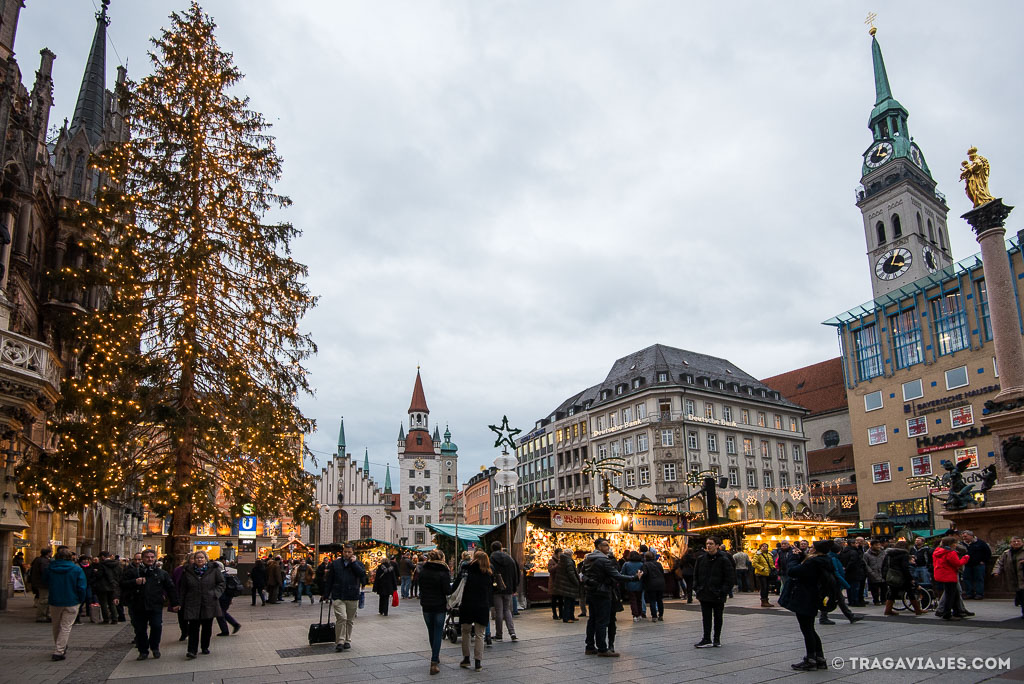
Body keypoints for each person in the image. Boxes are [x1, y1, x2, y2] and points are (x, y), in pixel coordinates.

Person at [780, 540, 834, 671]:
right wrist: (802, 555)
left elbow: (792, 571)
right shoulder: (824, 560)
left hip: (805, 597)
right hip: (814, 597)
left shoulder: (812, 562)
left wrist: (793, 557)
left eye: (812, 547)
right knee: (810, 628)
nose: (809, 549)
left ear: (815, 550)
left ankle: (811, 659)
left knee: (807, 629)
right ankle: (819, 658)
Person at [581, 537, 636, 657]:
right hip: (603, 592)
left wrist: (590, 582)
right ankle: (602, 648)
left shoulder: (587, 559)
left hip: (591, 592)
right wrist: (634, 578)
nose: (608, 547)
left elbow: (582, 574)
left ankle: (590, 646)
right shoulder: (603, 560)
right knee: (603, 621)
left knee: (592, 620)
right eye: (605, 545)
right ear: (599, 547)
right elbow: (617, 575)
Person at [121, 548, 179, 660]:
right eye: (147, 557)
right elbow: (122, 584)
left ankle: (155, 647)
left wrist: (175, 603)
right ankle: (143, 650)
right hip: (138, 605)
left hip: (155, 604)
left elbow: (170, 588)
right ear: (142, 559)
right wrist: (134, 582)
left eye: (152, 557)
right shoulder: (133, 572)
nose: (150, 559)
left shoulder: (161, 573)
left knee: (156, 626)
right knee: (140, 629)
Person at [178, 551, 225, 659]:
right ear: (194, 559)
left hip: (209, 601)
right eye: (197, 558)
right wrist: (181, 601)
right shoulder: (188, 571)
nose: (199, 560)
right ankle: (192, 650)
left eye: (202, 558)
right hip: (193, 602)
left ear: (206, 559)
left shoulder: (213, 570)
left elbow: (221, 583)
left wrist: (215, 593)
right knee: (193, 627)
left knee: (207, 626)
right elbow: (183, 588)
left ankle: (205, 646)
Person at [45, 546, 87, 661]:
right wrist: (81, 600)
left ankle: (60, 646)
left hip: (55, 600)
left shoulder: (51, 568)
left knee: (56, 625)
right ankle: (59, 650)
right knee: (66, 627)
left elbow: (45, 581)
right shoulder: (76, 569)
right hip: (71, 600)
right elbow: (82, 587)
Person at [324, 544, 368, 652]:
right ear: (342, 552)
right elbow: (330, 579)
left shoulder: (358, 564)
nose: (347, 554)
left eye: (349, 552)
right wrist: (326, 594)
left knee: (349, 620)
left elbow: (363, 575)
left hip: (352, 595)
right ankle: (340, 641)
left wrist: (354, 564)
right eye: (345, 552)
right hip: (338, 595)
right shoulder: (335, 564)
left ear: (353, 552)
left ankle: (347, 640)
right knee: (342, 618)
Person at [692, 538, 735, 648]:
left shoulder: (724, 559)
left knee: (718, 616)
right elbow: (696, 574)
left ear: (717, 546)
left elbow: (730, 577)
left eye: (711, 544)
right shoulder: (701, 559)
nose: (709, 546)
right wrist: (697, 587)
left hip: (718, 593)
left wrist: (723, 591)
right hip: (704, 592)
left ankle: (716, 639)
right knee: (706, 617)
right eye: (707, 544)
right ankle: (706, 638)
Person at [459, 550, 494, 671]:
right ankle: (478, 662)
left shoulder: (466, 569)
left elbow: (457, 585)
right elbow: (490, 591)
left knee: (465, 632)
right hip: (482, 605)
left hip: (467, 604)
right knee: (480, 634)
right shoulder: (489, 573)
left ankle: (466, 658)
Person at [418, 549, 451, 675]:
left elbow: (420, 587)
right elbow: (447, 591)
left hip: (426, 605)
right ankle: (434, 661)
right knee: (438, 632)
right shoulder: (443, 571)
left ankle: (435, 655)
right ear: (441, 558)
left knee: (431, 631)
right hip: (439, 605)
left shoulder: (423, 571)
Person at [881, 540, 923, 616]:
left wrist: (885, 576)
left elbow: (884, 566)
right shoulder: (904, 554)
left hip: (892, 576)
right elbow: (905, 568)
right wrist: (910, 578)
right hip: (902, 577)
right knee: (910, 592)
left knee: (892, 593)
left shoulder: (889, 554)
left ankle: (888, 610)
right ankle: (917, 610)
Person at [933, 536, 970, 620]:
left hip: (941, 574)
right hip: (950, 575)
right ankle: (947, 613)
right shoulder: (950, 552)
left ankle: (957, 611)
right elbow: (957, 563)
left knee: (955, 593)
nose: (956, 545)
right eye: (955, 543)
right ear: (951, 544)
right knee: (950, 595)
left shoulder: (938, 551)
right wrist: (965, 558)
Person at [489, 541, 518, 641]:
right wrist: (514, 587)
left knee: (499, 611)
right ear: (501, 547)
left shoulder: (491, 559)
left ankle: (499, 634)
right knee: (507, 610)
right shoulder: (510, 559)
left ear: (492, 548)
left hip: (497, 588)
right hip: (508, 588)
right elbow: (515, 574)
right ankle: (512, 632)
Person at [992, 536, 1024, 618]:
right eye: (1014, 541)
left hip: (1022, 576)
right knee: (1020, 593)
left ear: (1022, 543)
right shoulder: (1007, 553)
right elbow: (999, 563)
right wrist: (996, 572)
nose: (1016, 543)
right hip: (1014, 577)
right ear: (1011, 543)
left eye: (1018, 541)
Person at [93, 551, 122, 625]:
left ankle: (106, 619)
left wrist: (96, 572)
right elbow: (119, 574)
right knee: (112, 603)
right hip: (113, 585)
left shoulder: (102, 565)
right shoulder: (116, 564)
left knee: (104, 603)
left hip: (103, 586)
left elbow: (99, 575)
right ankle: (115, 618)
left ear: (103, 557)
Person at [961, 531, 992, 600]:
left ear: (971, 536)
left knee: (979, 579)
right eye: (963, 537)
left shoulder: (980, 543)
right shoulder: (962, 544)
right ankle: (969, 593)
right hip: (967, 564)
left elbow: (988, 552)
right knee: (967, 579)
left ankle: (979, 594)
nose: (964, 538)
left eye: (965, 536)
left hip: (978, 564)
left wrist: (984, 561)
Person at [214, 561, 242, 636]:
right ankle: (234, 625)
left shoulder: (220, 576)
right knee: (222, 612)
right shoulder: (226, 575)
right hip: (227, 597)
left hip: (222, 598)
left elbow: (221, 588)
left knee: (220, 614)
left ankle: (226, 630)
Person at [554, 546, 581, 623]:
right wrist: (577, 582)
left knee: (569, 601)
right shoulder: (568, 562)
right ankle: (567, 617)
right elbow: (571, 574)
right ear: (570, 554)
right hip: (569, 584)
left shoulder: (562, 560)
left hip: (565, 584)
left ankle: (570, 616)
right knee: (569, 602)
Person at [839, 538, 867, 607]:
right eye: (856, 543)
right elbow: (853, 562)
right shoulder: (854, 552)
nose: (857, 544)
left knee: (849, 588)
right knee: (855, 588)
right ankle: (855, 601)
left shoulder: (844, 551)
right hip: (855, 572)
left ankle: (851, 601)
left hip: (848, 572)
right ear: (852, 544)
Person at [641, 551, 665, 622]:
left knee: (652, 600)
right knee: (660, 600)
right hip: (660, 583)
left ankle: (654, 616)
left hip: (651, 584)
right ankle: (661, 615)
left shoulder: (645, 565)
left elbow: (644, 574)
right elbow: (662, 572)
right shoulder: (658, 564)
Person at [30, 548, 52, 623]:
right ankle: (41, 616)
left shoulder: (39, 560)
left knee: (44, 599)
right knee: (44, 600)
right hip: (43, 584)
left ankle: (45, 615)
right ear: (48, 553)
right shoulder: (43, 561)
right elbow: (44, 572)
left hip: (40, 583)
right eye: (51, 552)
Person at [622, 551, 645, 622]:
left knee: (633, 600)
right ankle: (640, 614)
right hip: (640, 584)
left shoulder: (626, 564)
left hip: (630, 584)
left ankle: (635, 615)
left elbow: (622, 573)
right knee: (639, 599)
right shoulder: (641, 564)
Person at [752, 543, 775, 607]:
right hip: (761, 573)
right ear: (760, 547)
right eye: (763, 546)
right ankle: (763, 601)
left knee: (767, 587)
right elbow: (754, 563)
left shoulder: (769, 554)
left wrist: (773, 567)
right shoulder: (758, 554)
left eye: (766, 546)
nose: (765, 547)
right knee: (764, 587)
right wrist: (762, 568)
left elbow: (771, 563)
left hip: (768, 573)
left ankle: (766, 600)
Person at [864, 540, 887, 605]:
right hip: (873, 573)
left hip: (882, 573)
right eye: (876, 545)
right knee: (874, 589)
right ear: (872, 545)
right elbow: (866, 564)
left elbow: (886, 562)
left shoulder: (883, 552)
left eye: (879, 545)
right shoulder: (866, 554)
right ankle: (876, 600)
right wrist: (870, 572)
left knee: (884, 588)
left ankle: (883, 600)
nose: (878, 546)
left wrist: (885, 570)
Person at [547, 549, 562, 620]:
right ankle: (555, 614)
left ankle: (561, 613)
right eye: (560, 553)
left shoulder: (561, 561)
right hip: (554, 582)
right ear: (556, 553)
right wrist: (557, 565)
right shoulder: (551, 561)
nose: (561, 554)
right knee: (554, 599)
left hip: (560, 583)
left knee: (561, 600)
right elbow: (550, 570)